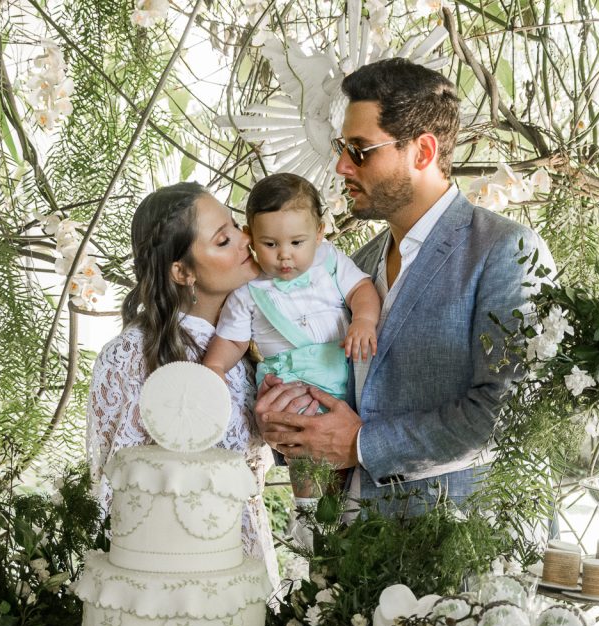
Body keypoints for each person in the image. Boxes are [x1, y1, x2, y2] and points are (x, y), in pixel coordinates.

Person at [256, 58, 554, 515]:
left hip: (466, 547)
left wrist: (362, 445)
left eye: (359, 149)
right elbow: (339, 404)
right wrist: (289, 422)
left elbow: (509, 416)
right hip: (355, 549)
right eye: (342, 147)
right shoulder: (357, 266)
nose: (340, 166)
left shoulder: (506, 250)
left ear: (422, 151)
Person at [86, 182, 281, 587]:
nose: (247, 241)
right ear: (183, 271)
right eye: (224, 239)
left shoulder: (254, 342)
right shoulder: (131, 356)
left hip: (245, 569)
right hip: (170, 582)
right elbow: (116, 493)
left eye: (238, 227)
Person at [203, 173, 381, 518]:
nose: (285, 256)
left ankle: (347, 511)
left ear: (319, 233)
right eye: (270, 245)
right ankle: (308, 513)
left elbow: (362, 290)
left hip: (341, 371)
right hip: (291, 382)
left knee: (347, 451)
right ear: (251, 239)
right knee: (302, 441)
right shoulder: (249, 289)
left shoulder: (329, 261)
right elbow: (232, 339)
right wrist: (214, 368)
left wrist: (363, 320)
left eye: (297, 243)